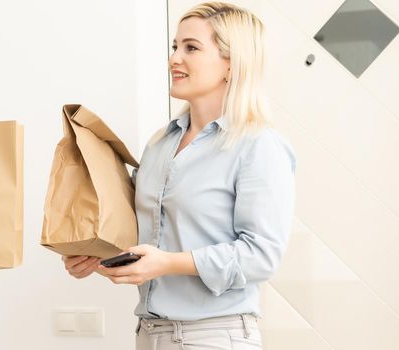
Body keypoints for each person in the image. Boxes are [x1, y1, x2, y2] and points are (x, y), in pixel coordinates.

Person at [63, 2, 296, 349]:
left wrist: (167, 264)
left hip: (215, 336)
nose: (174, 58)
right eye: (175, 46)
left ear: (231, 64)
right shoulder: (160, 144)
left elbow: (261, 255)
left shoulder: (258, 145)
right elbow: (144, 238)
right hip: (149, 334)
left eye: (191, 47)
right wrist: (94, 259)